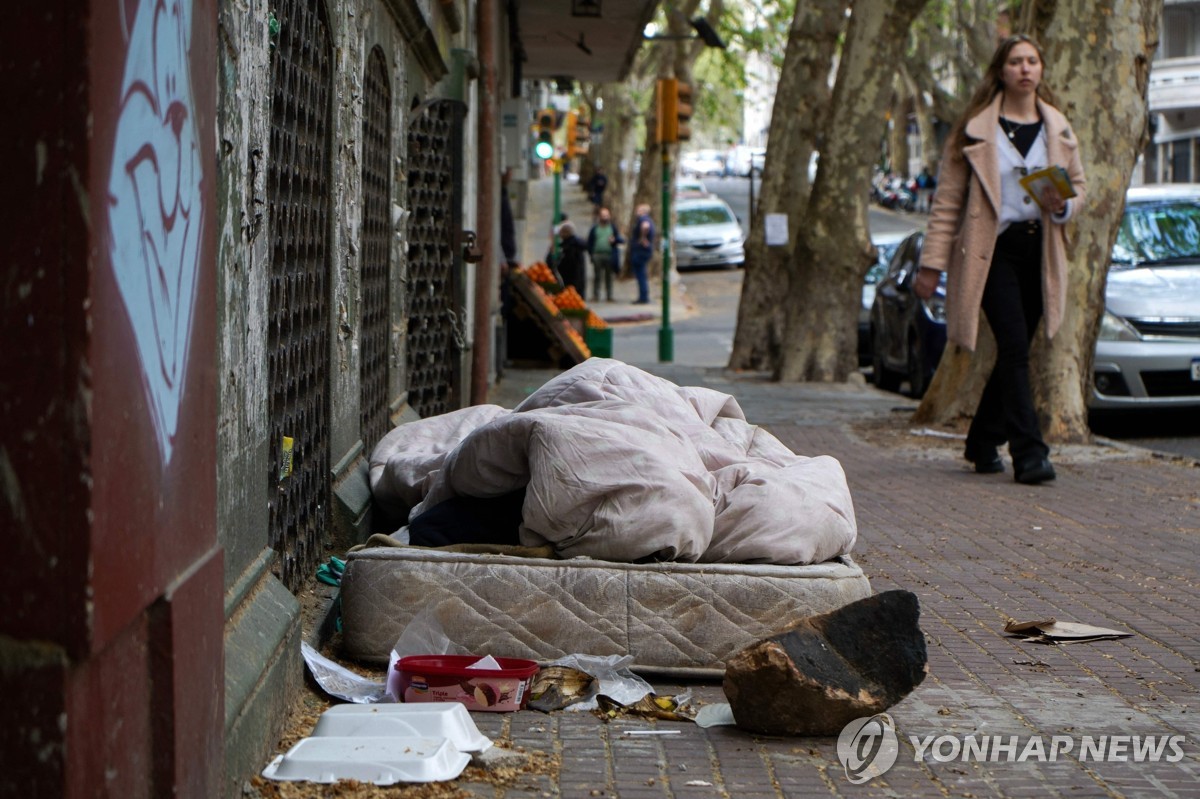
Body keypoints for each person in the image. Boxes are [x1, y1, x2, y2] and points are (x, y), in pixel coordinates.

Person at [914, 34, 1086, 485]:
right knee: (1012, 347)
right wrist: (931, 266)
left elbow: (1080, 186)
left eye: (1032, 60)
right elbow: (948, 202)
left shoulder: (1059, 128)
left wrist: (1064, 204)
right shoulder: (975, 130)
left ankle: (981, 440)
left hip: (1041, 250)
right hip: (991, 253)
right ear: (1001, 71)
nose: (1025, 68)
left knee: (1017, 350)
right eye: (1015, 61)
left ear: (1041, 70)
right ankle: (1030, 454)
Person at [587, 207, 624, 302]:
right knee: (597, 277)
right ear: (599, 216)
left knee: (609, 277)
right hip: (597, 255)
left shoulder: (612, 228)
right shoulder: (595, 228)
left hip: (609, 255)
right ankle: (595, 295)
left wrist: (614, 240)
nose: (605, 217)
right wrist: (591, 254)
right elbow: (590, 242)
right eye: (603, 215)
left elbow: (620, 240)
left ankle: (609, 295)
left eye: (607, 215)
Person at [553, 220, 589, 300]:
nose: (560, 235)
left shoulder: (570, 247)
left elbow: (568, 264)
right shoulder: (575, 245)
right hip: (577, 281)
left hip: (571, 281)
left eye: (561, 232)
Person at [629, 203, 655, 304]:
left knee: (640, 275)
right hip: (644, 250)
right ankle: (643, 296)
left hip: (641, 251)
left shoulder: (643, 219)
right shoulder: (647, 219)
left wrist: (642, 238)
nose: (637, 211)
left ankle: (643, 297)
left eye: (639, 209)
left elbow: (645, 226)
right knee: (642, 274)